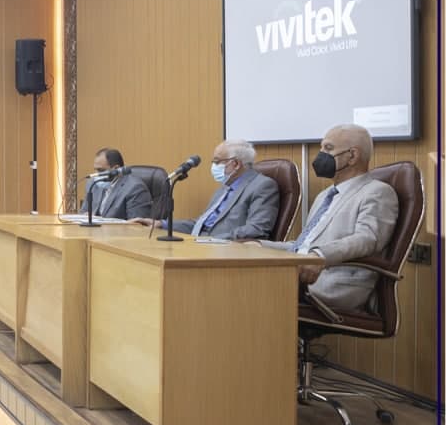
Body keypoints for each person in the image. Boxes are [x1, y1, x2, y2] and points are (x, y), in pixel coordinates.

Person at [255, 124, 398, 311]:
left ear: (352, 156)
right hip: (302, 275)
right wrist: (258, 246)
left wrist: (320, 256)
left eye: (328, 148)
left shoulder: (377, 191)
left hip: (333, 283)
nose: (321, 154)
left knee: (247, 289)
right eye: (321, 148)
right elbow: (303, 246)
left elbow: (367, 239)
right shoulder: (325, 195)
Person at [131, 139, 279, 240]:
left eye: (217, 161)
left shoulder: (263, 186)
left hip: (228, 251)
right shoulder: (225, 188)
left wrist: (212, 240)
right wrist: (161, 224)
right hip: (202, 244)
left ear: (235, 164)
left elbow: (256, 229)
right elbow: (200, 224)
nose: (214, 166)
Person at [78, 148, 152, 220]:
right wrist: (85, 216)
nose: (97, 175)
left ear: (116, 169)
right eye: (96, 170)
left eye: (101, 170)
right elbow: (83, 212)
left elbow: (137, 224)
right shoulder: (93, 184)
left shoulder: (135, 188)